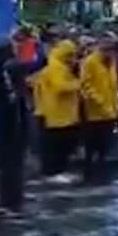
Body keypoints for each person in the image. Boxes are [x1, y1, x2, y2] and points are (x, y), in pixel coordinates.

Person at [35, 39, 82, 176]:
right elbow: (60, 87)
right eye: (70, 55)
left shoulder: (58, 65)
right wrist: (78, 84)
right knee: (55, 147)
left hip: (58, 113)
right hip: (54, 113)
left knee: (59, 145)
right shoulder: (56, 67)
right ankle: (53, 173)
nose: (73, 58)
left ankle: (57, 171)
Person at [79, 37, 118, 183]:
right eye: (106, 49)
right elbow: (86, 85)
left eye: (111, 49)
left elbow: (114, 82)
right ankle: (89, 173)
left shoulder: (112, 62)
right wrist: (100, 101)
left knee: (105, 144)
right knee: (92, 144)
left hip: (110, 110)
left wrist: (116, 98)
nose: (109, 53)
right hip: (94, 112)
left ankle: (102, 171)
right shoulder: (90, 62)